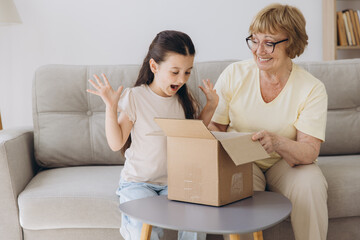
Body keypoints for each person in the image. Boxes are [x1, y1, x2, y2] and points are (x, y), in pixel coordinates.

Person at [209, 4, 328, 240]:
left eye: (269, 42)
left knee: (311, 183)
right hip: (242, 161)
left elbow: (308, 152)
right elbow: (216, 129)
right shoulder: (234, 74)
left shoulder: (312, 88)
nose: (259, 50)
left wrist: (277, 142)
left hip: (285, 162)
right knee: (234, 187)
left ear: (291, 44)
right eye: (254, 40)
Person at [87, 30, 217, 240]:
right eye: (175, 72)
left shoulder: (184, 101)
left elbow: (193, 137)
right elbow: (116, 142)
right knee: (142, 230)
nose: (182, 79)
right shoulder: (135, 97)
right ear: (154, 66)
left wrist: (211, 106)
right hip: (138, 183)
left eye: (187, 72)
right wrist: (111, 107)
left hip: (174, 183)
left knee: (196, 220)